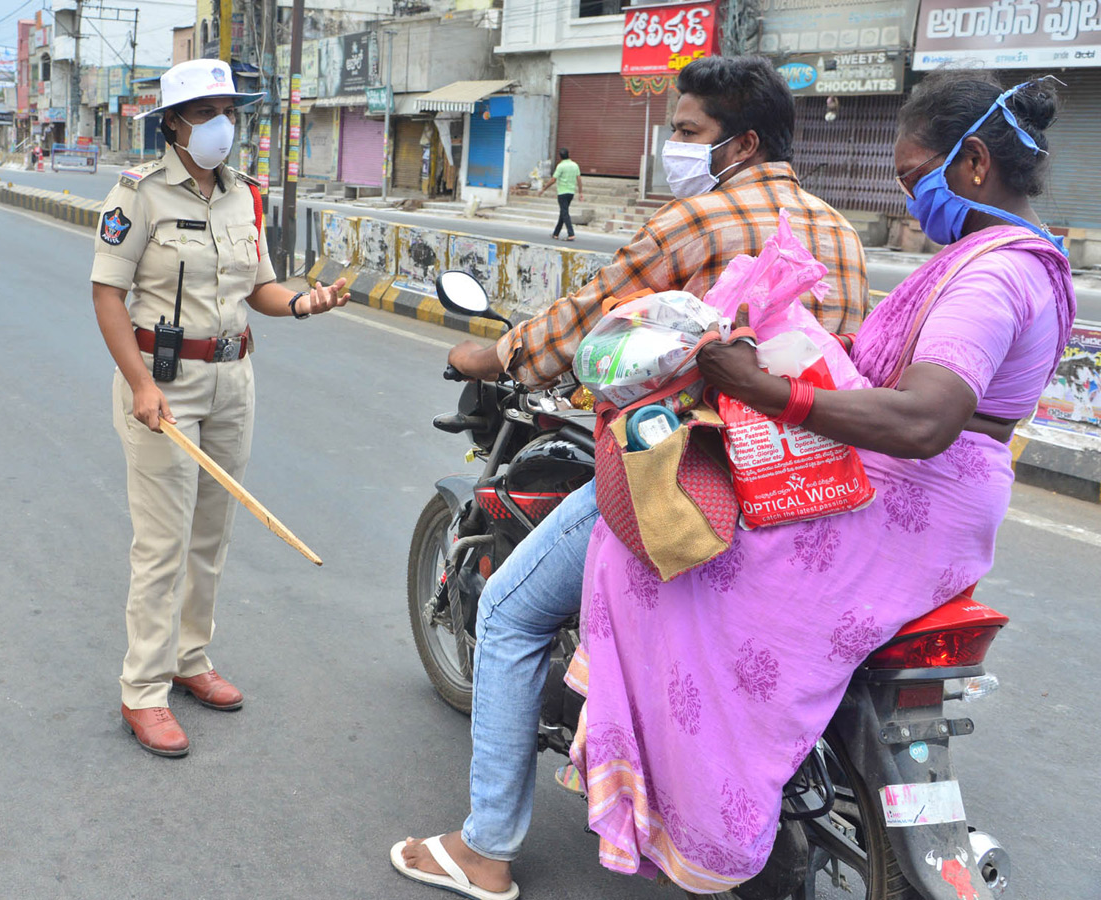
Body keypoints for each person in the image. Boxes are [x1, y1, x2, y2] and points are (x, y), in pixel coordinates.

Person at [567, 72, 1075, 892]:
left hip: (906, 499)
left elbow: (923, 420)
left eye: (917, 180)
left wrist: (767, 390)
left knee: (657, 550)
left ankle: (711, 814)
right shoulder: (1003, 261)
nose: (913, 203)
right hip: (922, 495)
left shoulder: (991, 275)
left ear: (974, 162)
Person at [391, 56, 869, 898]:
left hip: (698, 477)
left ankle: (486, 849)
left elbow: (590, 320)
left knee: (507, 613)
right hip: (812, 490)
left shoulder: (703, 216)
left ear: (741, 141)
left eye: (687, 132)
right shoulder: (839, 230)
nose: (674, 147)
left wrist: (495, 351)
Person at [90, 59, 348, 758]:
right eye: (204, 112)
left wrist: (302, 302)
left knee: (212, 532)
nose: (220, 125)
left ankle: (190, 659)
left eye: (227, 110)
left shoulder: (246, 197)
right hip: (162, 383)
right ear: (172, 122)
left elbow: (258, 287)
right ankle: (142, 689)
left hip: (234, 377)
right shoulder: (137, 195)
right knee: (161, 541)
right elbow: (107, 295)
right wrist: (140, 383)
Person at [540, 148, 582, 241]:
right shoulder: (575, 165)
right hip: (571, 192)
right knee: (563, 212)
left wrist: (544, 188)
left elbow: (553, 179)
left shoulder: (560, 166)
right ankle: (556, 233)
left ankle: (571, 234)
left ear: (560, 156)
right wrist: (580, 192)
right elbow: (579, 179)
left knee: (564, 212)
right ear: (568, 154)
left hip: (562, 192)